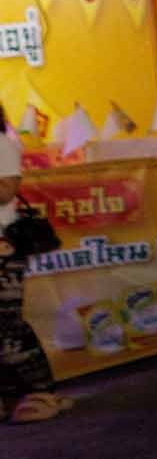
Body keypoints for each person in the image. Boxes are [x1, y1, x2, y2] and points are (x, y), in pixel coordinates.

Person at [0, 130, 66, 424]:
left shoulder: (2, 144)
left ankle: (40, 392)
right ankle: (12, 397)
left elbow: (7, 190)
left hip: (4, 247)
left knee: (8, 327)